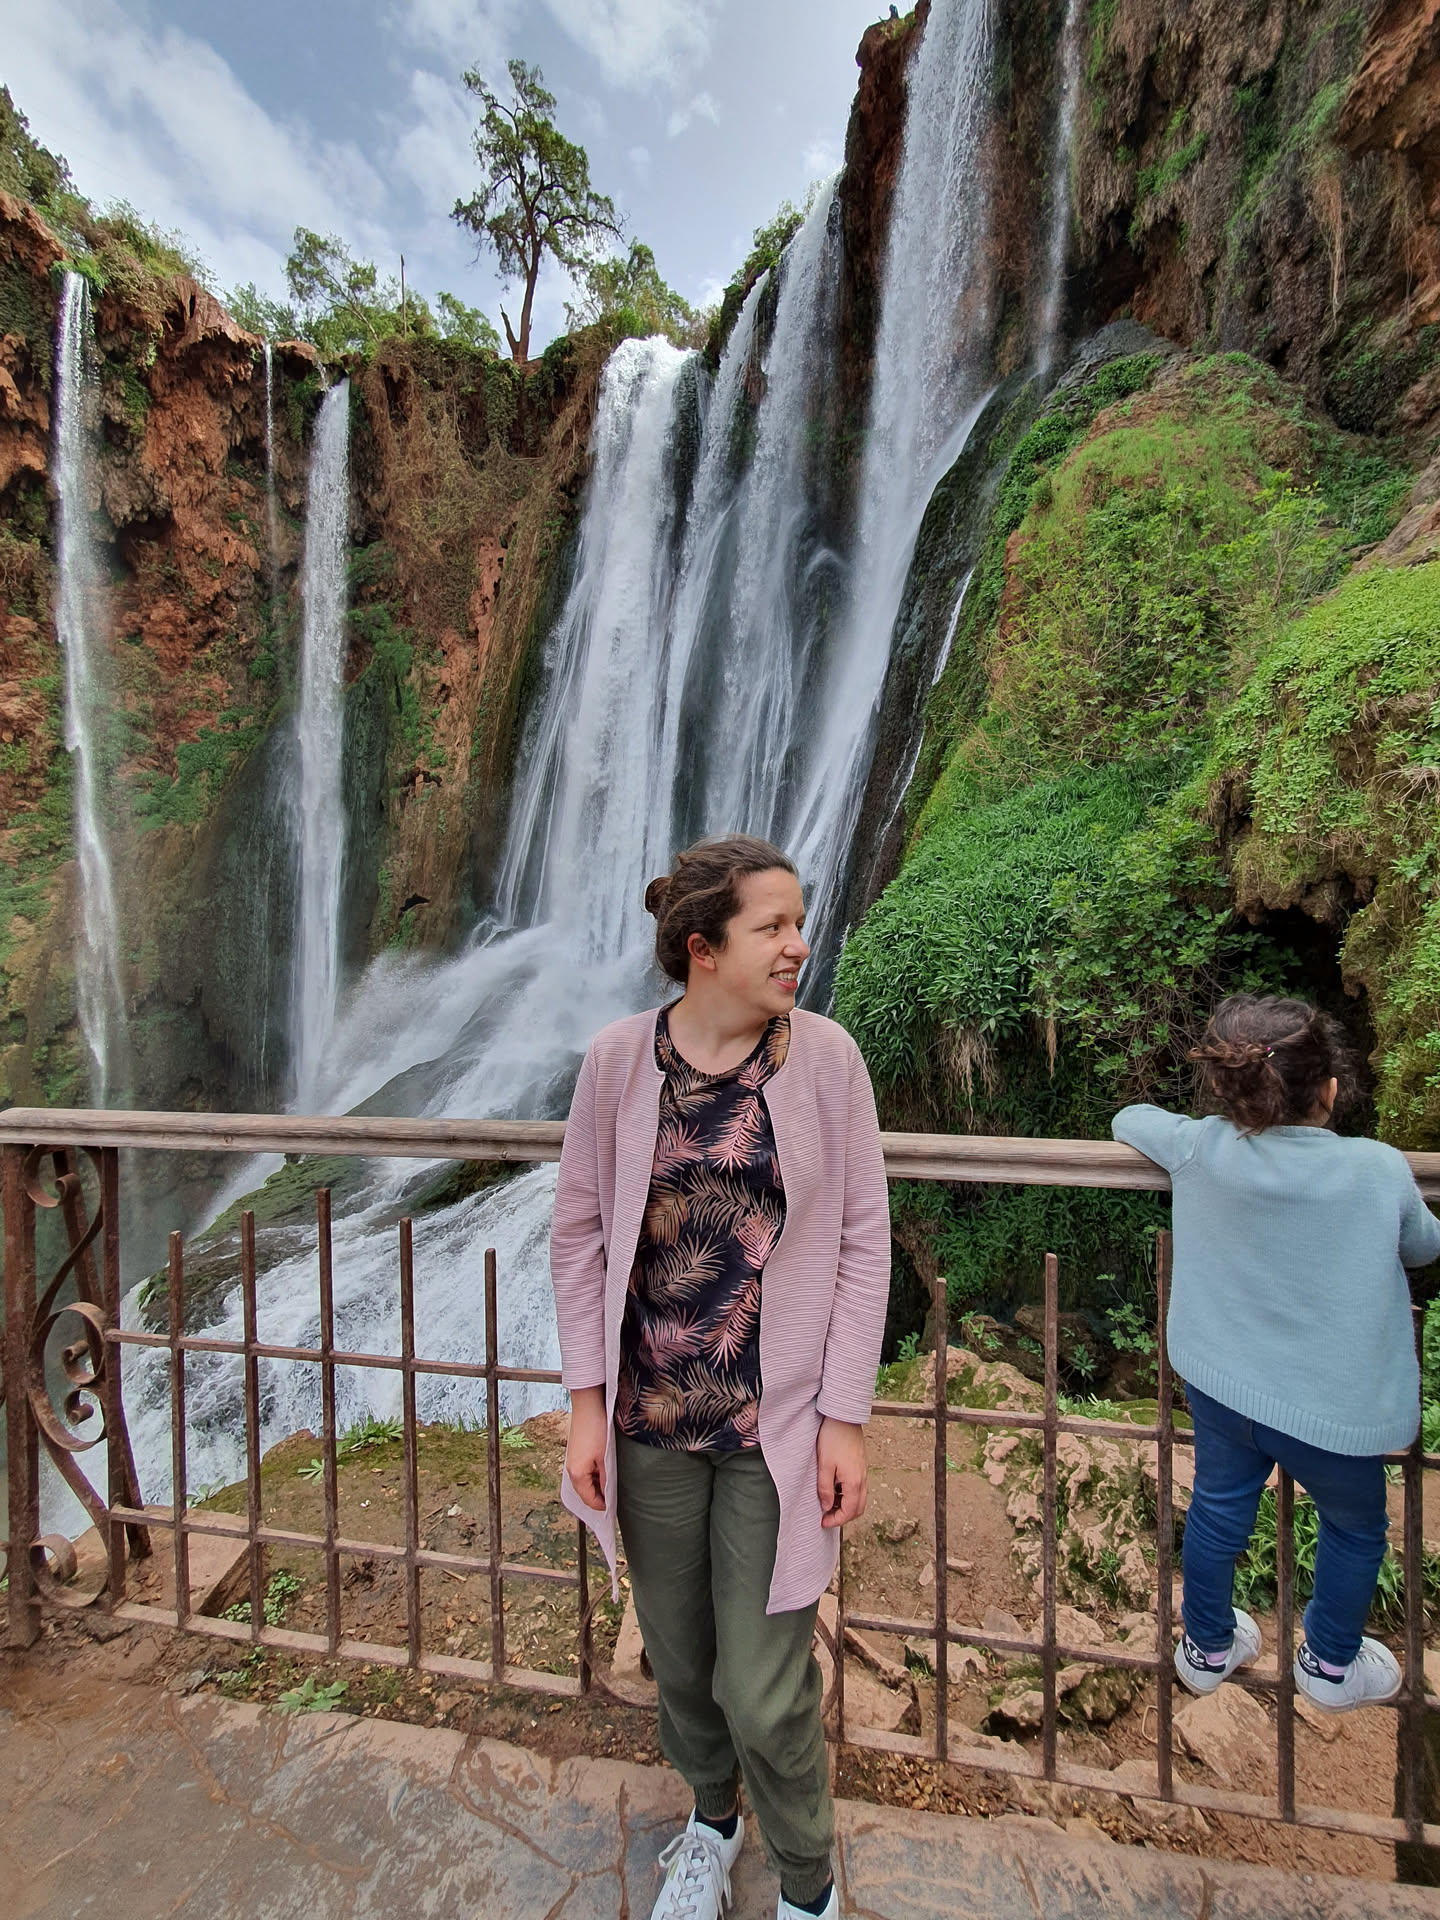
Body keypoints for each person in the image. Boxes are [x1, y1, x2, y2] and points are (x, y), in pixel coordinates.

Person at [551, 834, 891, 1920]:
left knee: (763, 1684)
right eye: (772, 928)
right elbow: (579, 1233)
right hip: (649, 1422)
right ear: (704, 949)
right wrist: (586, 1408)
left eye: (800, 923)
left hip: (771, 1431)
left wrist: (845, 1416)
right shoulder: (617, 1061)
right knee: (683, 1665)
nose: (799, 946)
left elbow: (863, 1239)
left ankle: (808, 1884)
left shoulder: (826, 1060)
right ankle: (711, 1821)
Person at [1113, 993, 1440, 1712]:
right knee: (1356, 1526)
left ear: (1228, 1089)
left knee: (1216, 1509)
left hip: (1224, 1391)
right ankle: (1329, 1662)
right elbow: (1424, 1246)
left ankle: (1206, 1649)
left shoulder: (1199, 1147)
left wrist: (1211, 1125)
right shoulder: (1378, 1169)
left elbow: (1127, 1119)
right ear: (1330, 1089)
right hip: (1335, 1409)